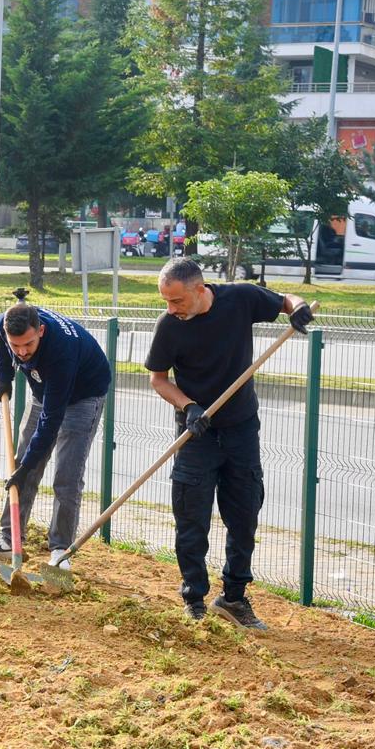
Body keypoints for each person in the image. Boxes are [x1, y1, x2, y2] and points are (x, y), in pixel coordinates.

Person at [145, 257, 313, 629]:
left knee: (244, 514)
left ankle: (234, 598)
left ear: (199, 289)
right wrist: (189, 406)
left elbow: (286, 300)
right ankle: (194, 599)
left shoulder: (240, 299)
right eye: (166, 301)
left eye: (177, 300)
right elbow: (158, 379)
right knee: (191, 519)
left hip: (240, 430)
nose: (171, 309)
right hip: (196, 433)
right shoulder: (169, 326)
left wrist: (299, 308)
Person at [0, 299, 111, 571]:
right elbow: (2, 351)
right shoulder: (2, 326)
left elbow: (51, 420)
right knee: (21, 464)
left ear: (41, 331)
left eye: (28, 344)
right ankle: (9, 539)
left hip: (83, 395)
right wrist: (4, 376)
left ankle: (60, 551)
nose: (22, 352)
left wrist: (27, 466)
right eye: (16, 346)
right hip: (43, 392)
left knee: (66, 476)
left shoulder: (61, 351)